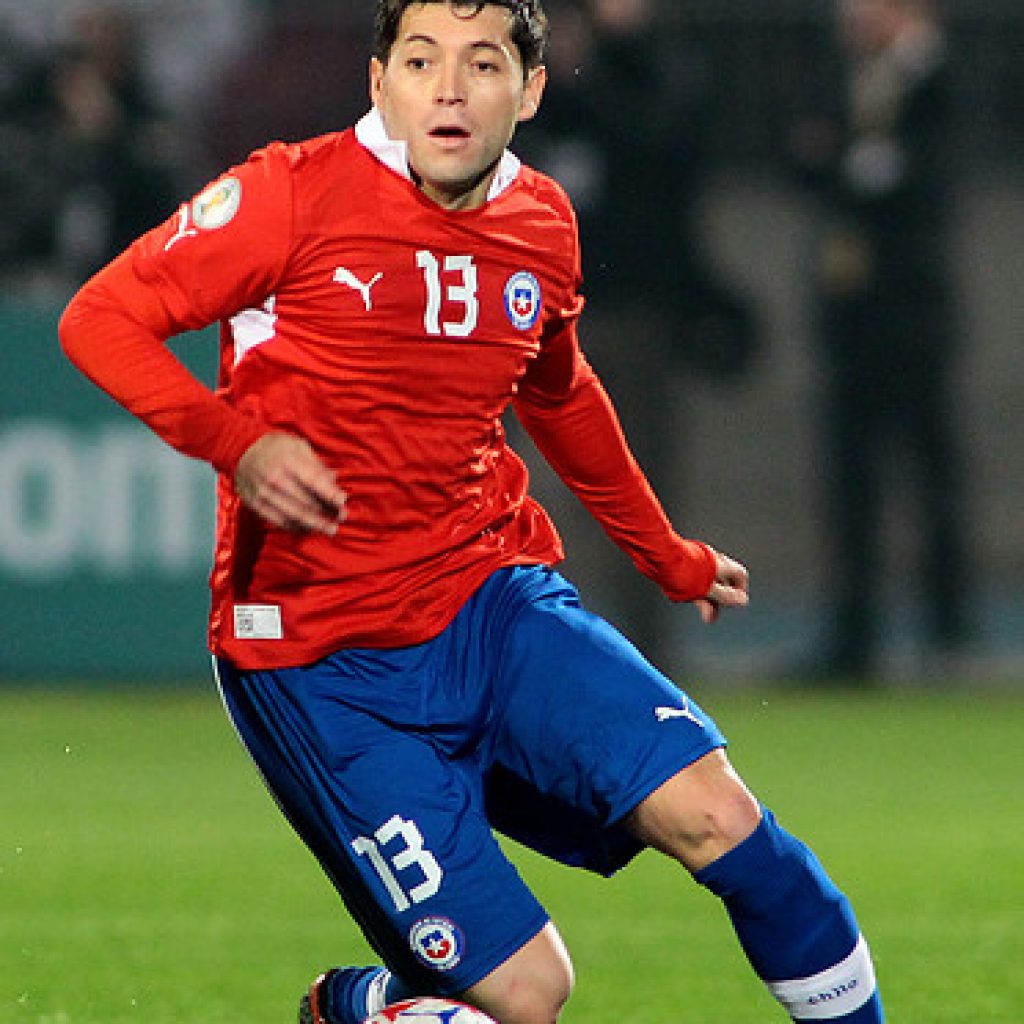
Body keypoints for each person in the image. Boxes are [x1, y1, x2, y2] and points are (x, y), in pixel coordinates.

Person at [59, 3, 884, 1022]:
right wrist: (236, 442)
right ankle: (356, 1004)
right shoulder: (288, 195)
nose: (448, 89)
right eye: (421, 61)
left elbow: (560, 393)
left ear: (528, 90)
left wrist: (663, 551)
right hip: (320, 661)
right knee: (529, 996)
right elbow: (99, 318)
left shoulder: (541, 220)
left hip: (491, 603)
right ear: (380, 82)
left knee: (725, 819)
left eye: (482, 64)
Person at [514, 0, 757, 669]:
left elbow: (660, 148)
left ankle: (642, 653)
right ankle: (536, 644)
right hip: (535, 312)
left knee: (636, 481)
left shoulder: (661, 68)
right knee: (518, 485)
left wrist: (588, 75)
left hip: (631, 310)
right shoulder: (538, 88)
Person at [790, 0, 971, 679]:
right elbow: (812, 159)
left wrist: (850, 164)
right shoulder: (848, 79)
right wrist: (855, 166)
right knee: (851, 481)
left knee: (931, 471)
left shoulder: (936, 80)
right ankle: (854, 635)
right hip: (851, 316)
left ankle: (949, 630)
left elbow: (920, 181)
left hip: (912, 315)